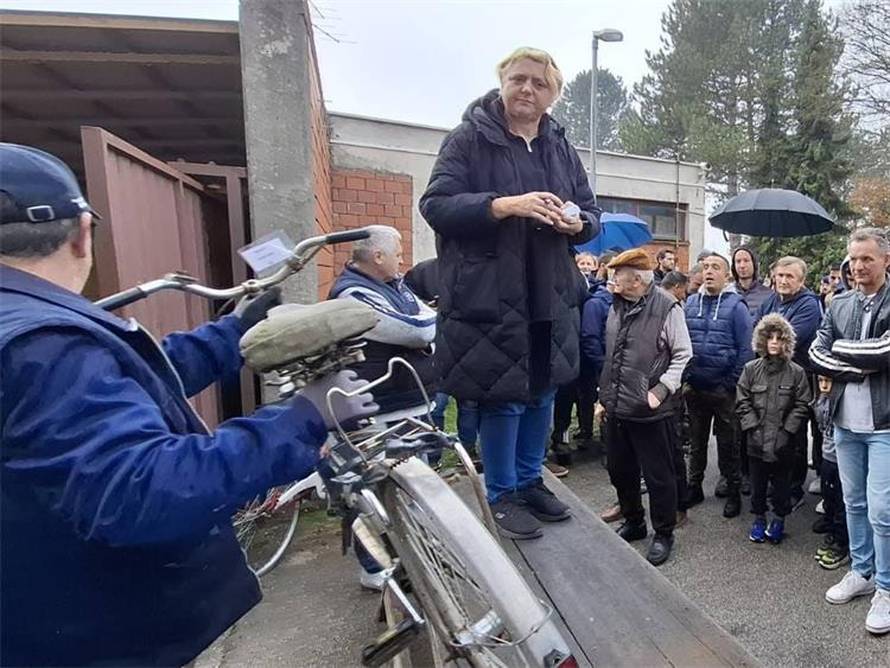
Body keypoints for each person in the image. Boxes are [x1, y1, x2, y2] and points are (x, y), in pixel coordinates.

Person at [0, 143, 376, 665]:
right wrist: (301, 420)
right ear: (83, 232)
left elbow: (134, 382)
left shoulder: (25, 331)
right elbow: (141, 493)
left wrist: (232, 333)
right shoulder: (43, 344)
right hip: (98, 638)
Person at [419, 47, 600, 540]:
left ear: (553, 93)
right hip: (491, 295)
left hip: (550, 292)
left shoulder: (559, 146)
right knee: (505, 398)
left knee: (543, 390)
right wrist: (502, 206)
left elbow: (590, 214)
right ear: (502, 81)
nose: (528, 89)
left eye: (540, 84)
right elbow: (436, 205)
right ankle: (500, 494)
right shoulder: (468, 139)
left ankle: (528, 479)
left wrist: (577, 220)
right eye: (519, 79)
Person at [810, 227, 890, 636]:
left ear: (885, 261)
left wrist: (840, 354)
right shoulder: (839, 302)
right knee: (853, 503)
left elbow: (886, 352)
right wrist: (857, 364)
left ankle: (887, 589)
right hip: (843, 422)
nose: (858, 266)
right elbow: (814, 351)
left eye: (867, 259)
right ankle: (861, 571)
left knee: (882, 511)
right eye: (854, 259)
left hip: (884, 425)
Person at [597, 249, 692, 565]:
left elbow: (683, 354)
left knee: (658, 476)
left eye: (617, 277)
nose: (612, 281)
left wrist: (661, 390)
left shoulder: (668, 308)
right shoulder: (616, 305)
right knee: (620, 470)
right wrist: (603, 397)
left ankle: (663, 533)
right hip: (616, 407)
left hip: (651, 409)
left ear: (635, 280)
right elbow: (613, 358)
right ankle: (635, 522)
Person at [329, 225, 438, 414]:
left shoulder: (393, 283)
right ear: (378, 257)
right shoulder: (353, 295)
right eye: (398, 255)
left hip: (408, 398)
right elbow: (417, 330)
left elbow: (425, 315)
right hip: (383, 406)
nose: (402, 261)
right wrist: (432, 323)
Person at [683, 252, 753, 518]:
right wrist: (686, 378)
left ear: (727, 275)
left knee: (729, 444)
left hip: (724, 391)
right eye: (706, 267)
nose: (709, 271)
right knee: (697, 442)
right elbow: (682, 342)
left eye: (716, 267)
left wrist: (729, 383)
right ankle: (694, 486)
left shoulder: (737, 306)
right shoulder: (690, 303)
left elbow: (746, 349)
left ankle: (733, 491)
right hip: (695, 388)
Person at [736, 314, 811, 545]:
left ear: (786, 342)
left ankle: (779, 519)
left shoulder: (796, 372)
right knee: (757, 486)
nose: (774, 342)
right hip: (756, 443)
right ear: (762, 341)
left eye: (780, 338)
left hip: (784, 444)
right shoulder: (750, 369)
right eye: (770, 338)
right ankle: (759, 518)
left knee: (782, 486)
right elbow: (742, 400)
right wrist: (752, 428)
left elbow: (802, 403)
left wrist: (787, 431)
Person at [757, 256, 823, 508]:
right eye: (780, 276)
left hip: (798, 379)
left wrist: (767, 339)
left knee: (793, 434)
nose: (783, 281)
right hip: (769, 376)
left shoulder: (809, 305)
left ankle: (793, 490)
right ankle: (776, 483)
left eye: (789, 276)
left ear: (801, 280)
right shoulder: (770, 300)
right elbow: (757, 333)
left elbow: (789, 341)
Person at [812, 375, 850, 570]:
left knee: (841, 499)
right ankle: (830, 524)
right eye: (820, 381)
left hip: (841, 457)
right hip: (827, 456)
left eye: (828, 381)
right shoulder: (820, 401)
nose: (824, 385)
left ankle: (841, 540)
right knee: (828, 495)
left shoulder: (842, 403)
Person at [731, 245, 772, 317]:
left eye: (746, 261)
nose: (742, 265)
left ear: (754, 263)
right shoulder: (727, 293)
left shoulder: (769, 296)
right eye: (738, 261)